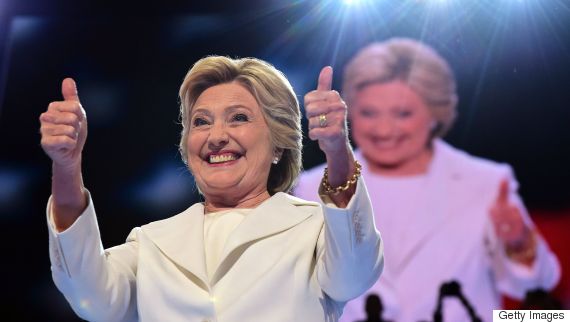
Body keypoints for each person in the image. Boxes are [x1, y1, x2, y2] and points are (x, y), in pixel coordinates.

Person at [39, 56, 384, 322]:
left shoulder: (315, 230)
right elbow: (91, 298)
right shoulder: (152, 242)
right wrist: (67, 165)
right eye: (201, 121)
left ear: (279, 144)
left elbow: (353, 275)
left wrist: (337, 149)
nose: (216, 136)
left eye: (238, 118)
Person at [293, 38, 560, 322]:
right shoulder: (309, 188)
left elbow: (536, 285)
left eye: (403, 113)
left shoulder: (486, 182)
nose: (384, 130)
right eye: (369, 113)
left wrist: (520, 246)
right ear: (349, 113)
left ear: (436, 113)